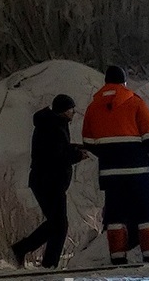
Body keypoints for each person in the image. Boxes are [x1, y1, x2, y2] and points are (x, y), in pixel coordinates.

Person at [81, 66, 149, 265]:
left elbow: (88, 141)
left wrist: (107, 152)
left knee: (115, 216)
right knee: (145, 215)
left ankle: (118, 258)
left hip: (110, 173)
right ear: (124, 82)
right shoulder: (135, 102)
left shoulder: (93, 107)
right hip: (138, 171)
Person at [10, 94, 89, 269]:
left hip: (47, 181)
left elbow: (58, 149)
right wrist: (77, 155)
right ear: (63, 111)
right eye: (71, 109)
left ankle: (39, 258)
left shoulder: (51, 124)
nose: (73, 112)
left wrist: (76, 148)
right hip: (49, 181)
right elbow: (55, 155)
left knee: (57, 223)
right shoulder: (53, 126)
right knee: (59, 224)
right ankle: (33, 255)